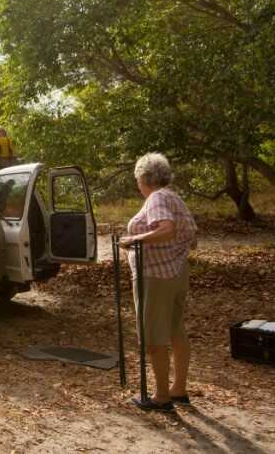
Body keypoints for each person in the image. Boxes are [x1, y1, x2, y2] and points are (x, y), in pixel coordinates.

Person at [118, 153, 197, 412]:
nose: (138, 185)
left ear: (144, 177)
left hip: (155, 276)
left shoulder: (157, 197)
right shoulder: (173, 197)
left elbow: (167, 230)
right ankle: (178, 389)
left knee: (153, 336)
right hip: (176, 273)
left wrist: (133, 241)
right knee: (175, 329)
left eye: (138, 180)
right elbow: (190, 237)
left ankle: (162, 396)